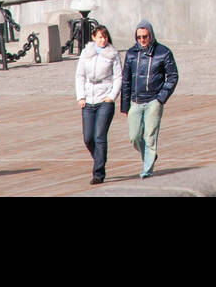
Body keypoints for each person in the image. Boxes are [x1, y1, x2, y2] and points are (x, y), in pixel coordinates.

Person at [120, 20, 178, 178]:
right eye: (139, 37)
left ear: (151, 35)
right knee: (134, 137)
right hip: (135, 101)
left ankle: (147, 171)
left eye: (145, 36)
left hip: (154, 101)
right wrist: (124, 106)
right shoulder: (131, 53)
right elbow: (125, 80)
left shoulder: (163, 52)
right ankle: (149, 155)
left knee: (150, 137)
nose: (142, 40)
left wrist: (161, 98)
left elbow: (172, 76)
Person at [75, 24, 122, 185]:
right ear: (94, 37)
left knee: (100, 136)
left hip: (105, 99)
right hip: (89, 99)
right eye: (100, 37)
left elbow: (118, 77)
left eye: (105, 37)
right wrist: (81, 96)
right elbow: (79, 75)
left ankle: (98, 173)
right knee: (88, 138)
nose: (103, 40)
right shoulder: (86, 53)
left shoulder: (113, 54)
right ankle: (99, 159)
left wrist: (112, 96)